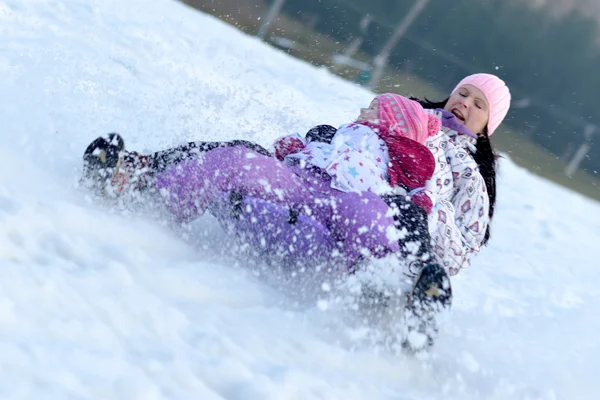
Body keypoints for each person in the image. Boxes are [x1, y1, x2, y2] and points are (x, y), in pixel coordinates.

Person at [81, 73, 511, 351]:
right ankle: (134, 179)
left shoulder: (467, 173)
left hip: (374, 213)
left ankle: (402, 298)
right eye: (463, 92)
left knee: (383, 219)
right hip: (312, 186)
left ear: (489, 125)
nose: (465, 103)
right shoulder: (403, 111)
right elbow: (334, 146)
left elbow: (461, 249)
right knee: (241, 159)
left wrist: (427, 208)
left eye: (479, 104)